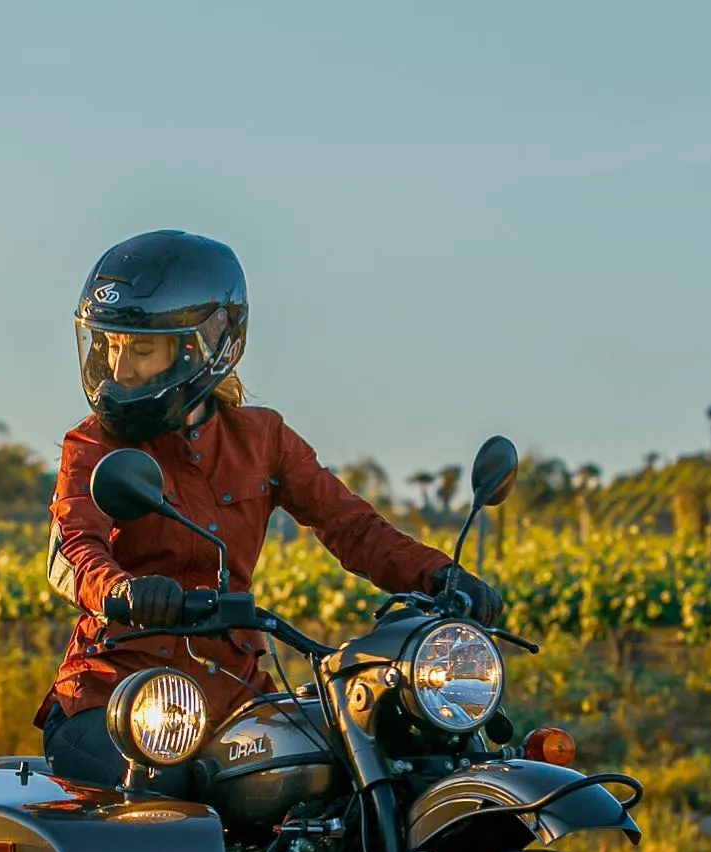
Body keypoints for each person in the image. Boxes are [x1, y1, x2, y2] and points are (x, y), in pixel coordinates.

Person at [36, 228, 503, 791]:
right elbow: (76, 545)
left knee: (341, 775)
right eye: (110, 346)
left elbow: (350, 526)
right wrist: (123, 592)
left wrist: (440, 574)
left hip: (237, 693)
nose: (120, 370)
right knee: (177, 805)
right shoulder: (93, 445)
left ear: (199, 347)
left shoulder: (263, 438)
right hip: (119, 697)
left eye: (139, 349)